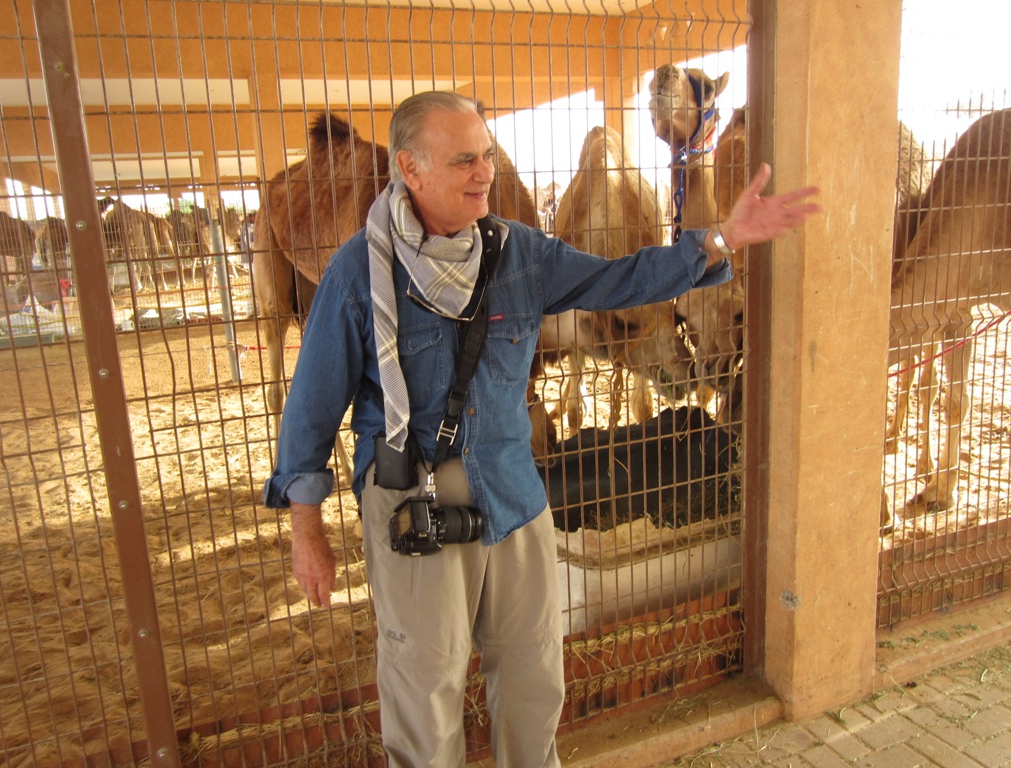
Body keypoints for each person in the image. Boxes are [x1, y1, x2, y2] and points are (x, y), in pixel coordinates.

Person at [263, 90, 820, 767]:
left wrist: (719, 240)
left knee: (533, 678)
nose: (484, 173)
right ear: (410, 170)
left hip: (514, 495)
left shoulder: (518, 251)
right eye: (463, 160)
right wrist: (306, 533)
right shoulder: (359, 271)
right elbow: (312, 409)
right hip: (414, 505)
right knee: (425, 691)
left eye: (487, 156)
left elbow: (618, 280)